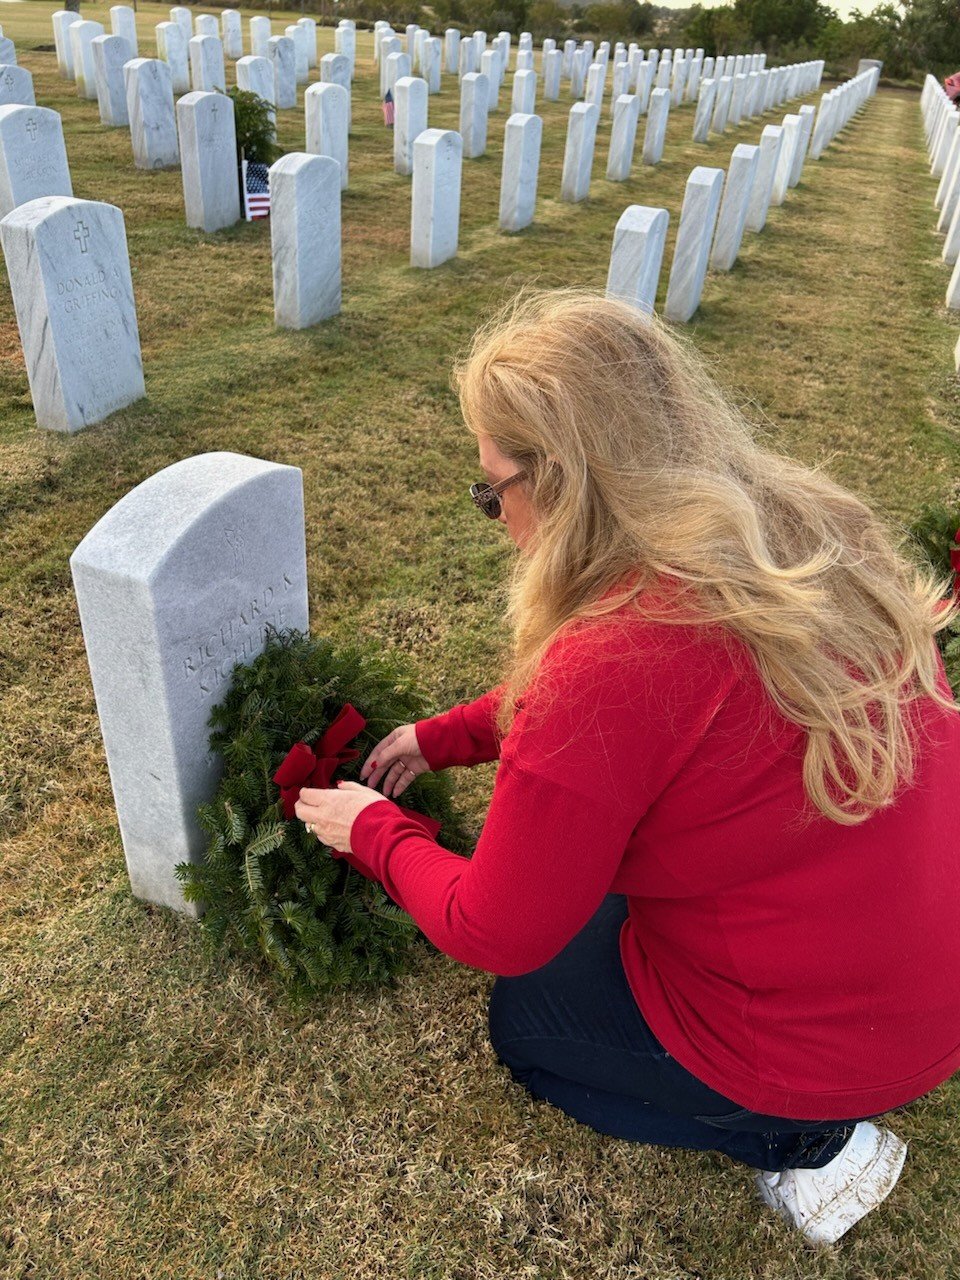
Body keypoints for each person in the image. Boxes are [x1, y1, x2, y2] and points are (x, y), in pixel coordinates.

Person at [294, 289, 960, 1247]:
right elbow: (637, 724)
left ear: (562, 482)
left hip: (830, 1040)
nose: (493, 515)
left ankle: (806, 1139)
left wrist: (374, 833)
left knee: (530, 1029)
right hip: (914, 959)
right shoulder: (808, 526)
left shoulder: (616, 657)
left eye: (493, 491)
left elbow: (497, 929)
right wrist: (442, 736)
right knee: (598, 914)